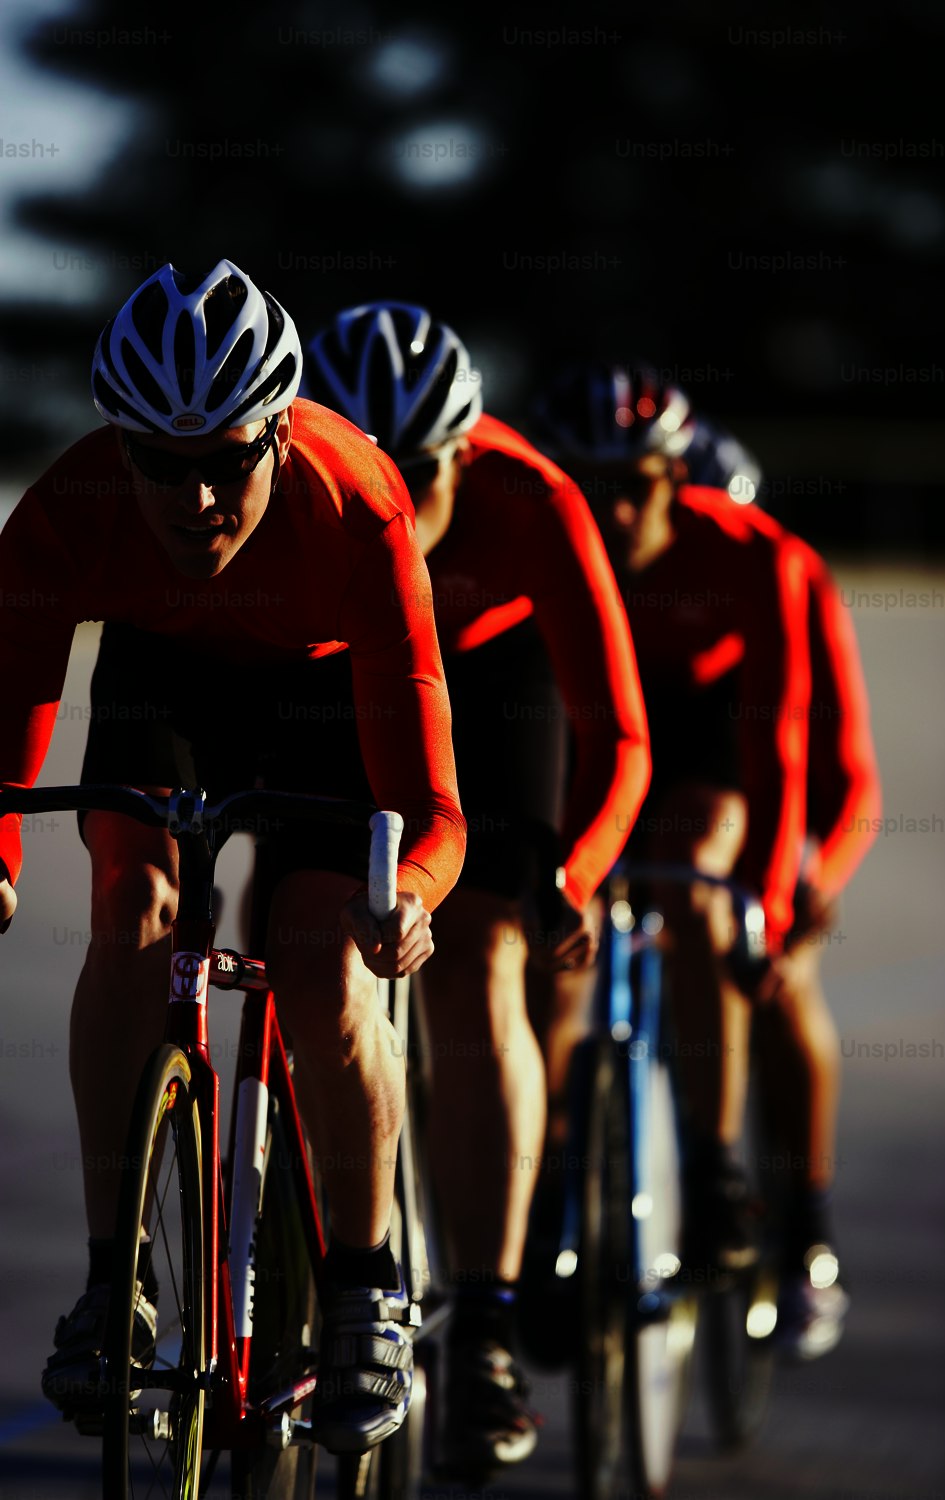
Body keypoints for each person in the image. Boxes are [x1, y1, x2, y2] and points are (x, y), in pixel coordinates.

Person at [0, 260, 467, 1453]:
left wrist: (405, 898)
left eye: (228, 460)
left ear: (278, 435)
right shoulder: (63, 510)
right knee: (133, 905)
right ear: (119, 448)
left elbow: (432, 807)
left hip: (320, 700)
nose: (195, 496)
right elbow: (2, 730)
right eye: (160, 463)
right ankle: (116, 1279)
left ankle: (365, 1289)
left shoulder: (357, 503)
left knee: (321, 965)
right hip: (164, 681)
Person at [300, 304, 651, 1476]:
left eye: (420, 476)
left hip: (494, 687)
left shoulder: (532, 497)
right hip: (351, 668)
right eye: (373, 473)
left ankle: (486, 1326)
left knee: (482, 965)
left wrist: (577, 869)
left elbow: (622, 733)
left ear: (466, 451)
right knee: (295, 927)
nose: (395, 500)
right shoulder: (307, 484)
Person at [529, 360, 880, 1357]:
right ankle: (550, 1184)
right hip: (594, 734)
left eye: (635, 483)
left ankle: (764, 1192)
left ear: (676, 476)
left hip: (708, 748)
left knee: (732, 935)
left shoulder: (764, 560)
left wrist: (788, 892)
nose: (614, 511)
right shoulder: (552, 551)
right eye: (587, 488)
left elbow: (816, 761)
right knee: (553, 946)